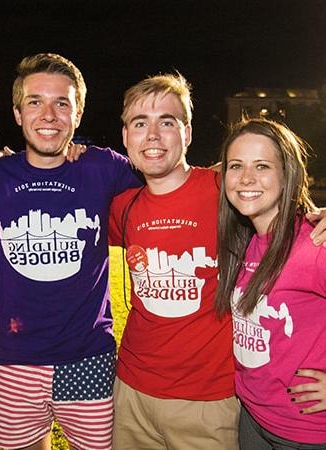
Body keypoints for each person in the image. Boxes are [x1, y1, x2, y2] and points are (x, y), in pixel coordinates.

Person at [0, 53, 141, 450]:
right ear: (18, 112)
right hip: (14, 359)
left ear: (78, 113)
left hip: (87, 356)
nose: (49, 114)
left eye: (62, 103)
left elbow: (174, 182)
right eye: (35, 101)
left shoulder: (103, 167)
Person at [108, 73, 240, 449]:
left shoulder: (224, 190)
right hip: (132, 392)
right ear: (125, 138)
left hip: (208, 402)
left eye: (166, 122)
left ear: (187, 133)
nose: (152, 135)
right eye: (140, 123)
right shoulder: (123, 206)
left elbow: (286, 221)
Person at [215, 118, 326, 449]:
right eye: (236, 166)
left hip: (305, 432)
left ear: (287, 173)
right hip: (253, 418)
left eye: (262, 165)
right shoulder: (246, 240)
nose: (246, 178)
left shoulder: (313, 246)